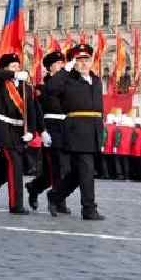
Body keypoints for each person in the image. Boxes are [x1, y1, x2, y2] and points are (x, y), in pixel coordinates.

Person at [46, 44, 105, 220]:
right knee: (87, 170)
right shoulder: (67, 79)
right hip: (76, 130)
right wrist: (65, 70)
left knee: (79, 173)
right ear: (73, 62)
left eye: (87, 59)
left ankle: (55, 196)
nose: (84, 63)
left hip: (94, 131)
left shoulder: (96, 80)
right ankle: (89, 209)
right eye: (79, 60)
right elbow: (50, 89)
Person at [0, 52, 37, 215]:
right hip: (5, 130)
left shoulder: (25, 86)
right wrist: (13, 74)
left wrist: (31, 131)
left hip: (19, 131)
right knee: (15, 166)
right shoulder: (0, 82)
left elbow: (31, 110)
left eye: (18, 66)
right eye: (12, 66)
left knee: (6, 171)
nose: (16, 68)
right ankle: (16, 205)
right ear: (6, 68)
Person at [26, 50, 70, 213]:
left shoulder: (68, 85)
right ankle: (58, 202)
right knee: (55, 168)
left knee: (63, 169)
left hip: (66, 129)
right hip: (51, 129)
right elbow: (38, 112)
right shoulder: (43, 88)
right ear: (50, 67)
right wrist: (42, 131)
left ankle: (34, 187)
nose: (61, 66)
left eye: (62, 63)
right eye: (58, 64)